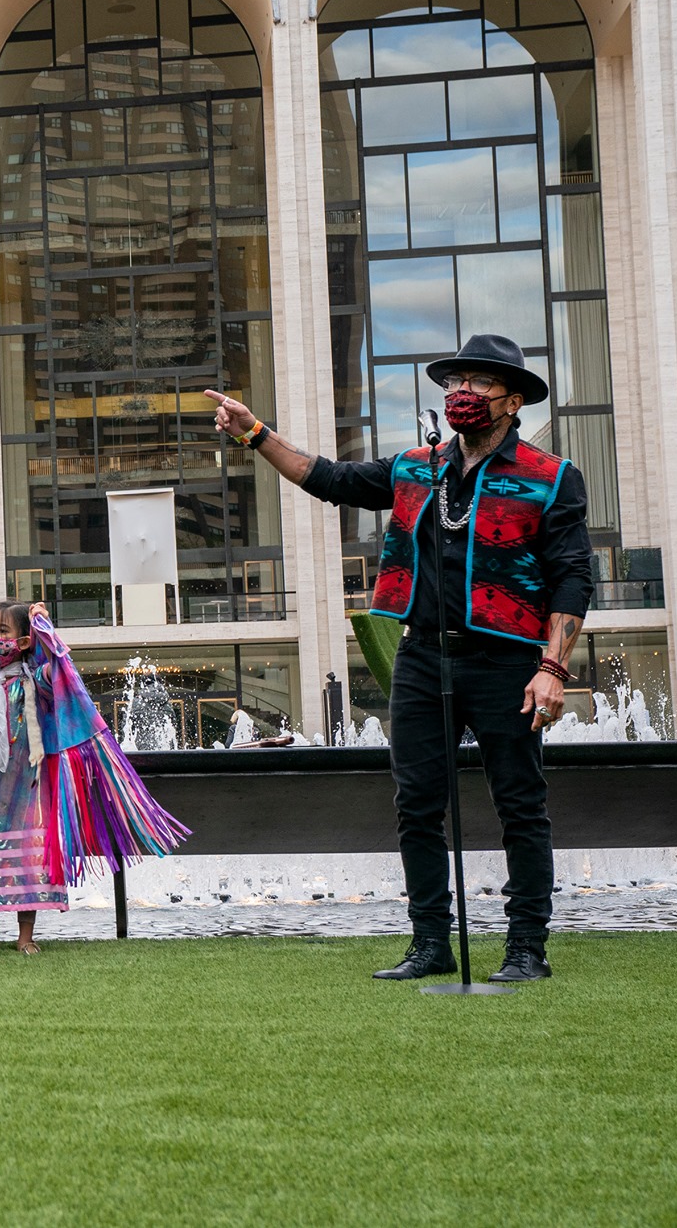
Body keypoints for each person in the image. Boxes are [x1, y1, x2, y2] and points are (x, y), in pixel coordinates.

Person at [206, 333, 594, 984]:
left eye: (476, 382)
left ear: (513, 398)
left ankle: (527, 947)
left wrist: (552, 668)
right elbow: (329, 479)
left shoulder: (551, 478)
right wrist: (255, 433)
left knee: (520, 804)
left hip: (507, 664)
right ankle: (429, 942)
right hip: (422, 660)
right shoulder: (419, 467)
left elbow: (573, 579)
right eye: (454, 382)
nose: (460, 394)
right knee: (416, 803)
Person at [0, 601, 189, 955]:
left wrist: (47, 631)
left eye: (3, 631)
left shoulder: (32, 677)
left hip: (31, 783)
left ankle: (25, 937)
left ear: (23, 641)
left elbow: (59, 676)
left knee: (30, 856)